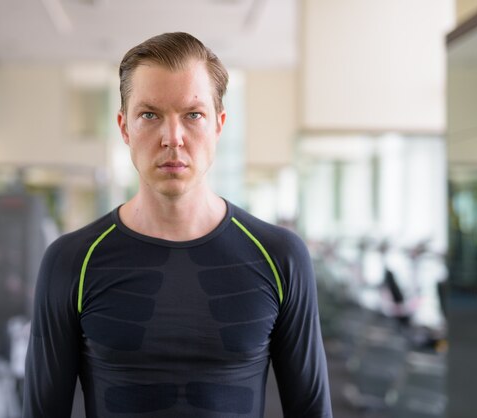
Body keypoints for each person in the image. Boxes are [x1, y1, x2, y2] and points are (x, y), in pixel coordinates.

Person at [23, 32, 332, 417]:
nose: (173, 138)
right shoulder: (71, 260)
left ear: (219, 126)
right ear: (124, 128)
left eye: (193, 115)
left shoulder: (280, 256)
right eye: (150, 115)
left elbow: (312, 410)